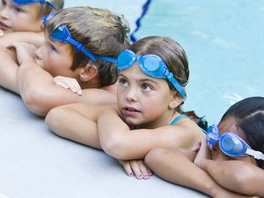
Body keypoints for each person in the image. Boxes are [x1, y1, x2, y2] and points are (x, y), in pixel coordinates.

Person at [45, 36, 206, 180]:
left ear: (175, 97)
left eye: (146, 87)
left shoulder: (182, 132)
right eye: (123, 82)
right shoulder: (128, 110)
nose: (130, 95)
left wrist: (108, 117)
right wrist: (125, 152)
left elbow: (117, 143)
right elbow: (56, 116)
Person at [0, 6, 131, 117]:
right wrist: (43, 82)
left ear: (87, 71)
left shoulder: (112, 96)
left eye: (52, 48)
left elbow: (36, 96)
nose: (38, 52)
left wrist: (28, 62)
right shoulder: (67, 56)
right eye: (44, 43)